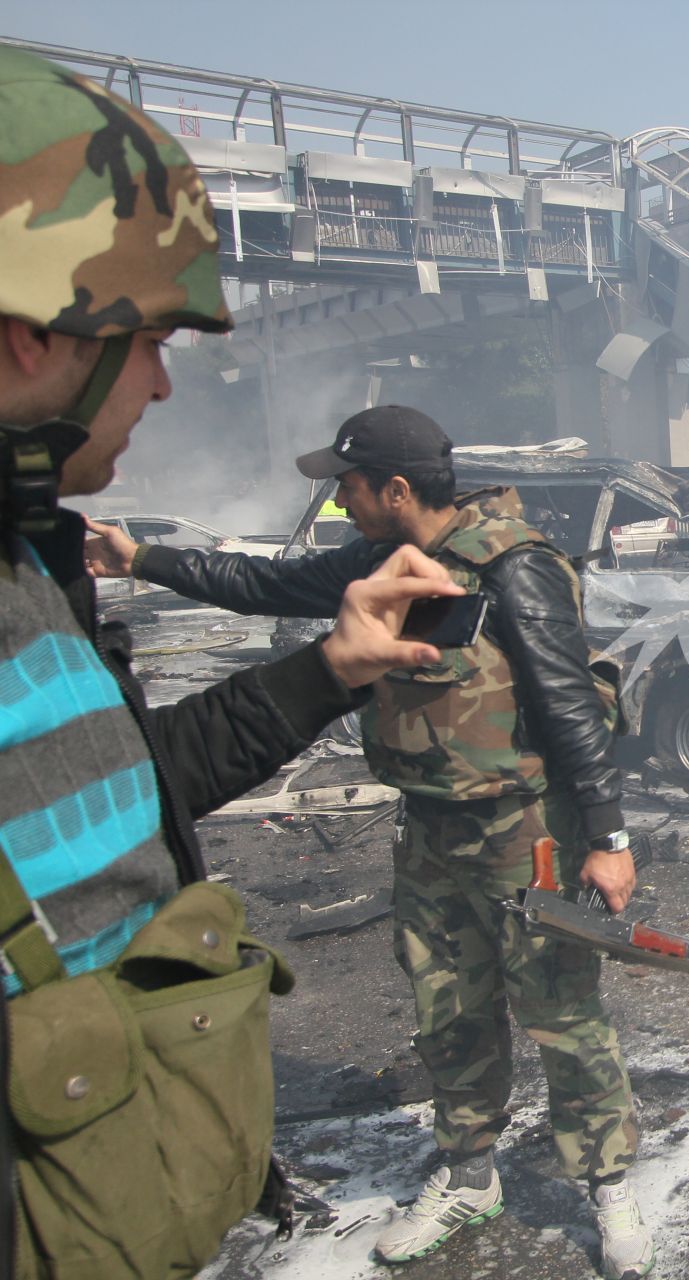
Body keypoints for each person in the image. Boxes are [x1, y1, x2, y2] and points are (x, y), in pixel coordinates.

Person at [0, 48, 459, 1278]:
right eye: (146, 338)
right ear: (27, 334)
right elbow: (254, 580)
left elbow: (129, 794)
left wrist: (332, 668)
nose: (160, 377)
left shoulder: (33, 575)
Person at [88, 407, 656, 1277]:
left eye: (348, 485)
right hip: (429, 830)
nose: (339, 501)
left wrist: (609, 837)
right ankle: (470, 1174)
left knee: (560, 1011)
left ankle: (609, 1182)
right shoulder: (383, 560)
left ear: (396, 489)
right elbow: (264, 585)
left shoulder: (515, 568)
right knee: (448, 1008)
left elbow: (571, 706)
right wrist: (143, 558)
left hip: (525, 833)